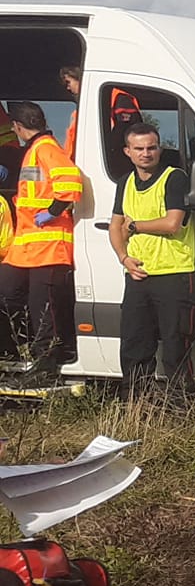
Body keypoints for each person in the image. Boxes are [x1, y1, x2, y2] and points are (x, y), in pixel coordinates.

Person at [0, 101, 85, 380]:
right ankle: (20, 350)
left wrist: (51, 212)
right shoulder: (36, 149)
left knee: (43, 306)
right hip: (27, 246)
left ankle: (46, 362)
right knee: (10, 293)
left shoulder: (46, 148)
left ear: (18, 127)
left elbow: (71, 184)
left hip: (48, 246)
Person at [109, 119, 195, 390]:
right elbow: (115, 225)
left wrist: (134, 226)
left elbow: (172, 223)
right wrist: (124, 257)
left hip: (172, 273)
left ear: (159, 149)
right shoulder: (125, 182)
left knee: (175, 346)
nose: (146, 153)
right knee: (134, 344)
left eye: (152, 148)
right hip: (137, 274)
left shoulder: (175, 177)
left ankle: (181, 409)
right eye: (139, 148)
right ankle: (137, 407)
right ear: (128, 152)